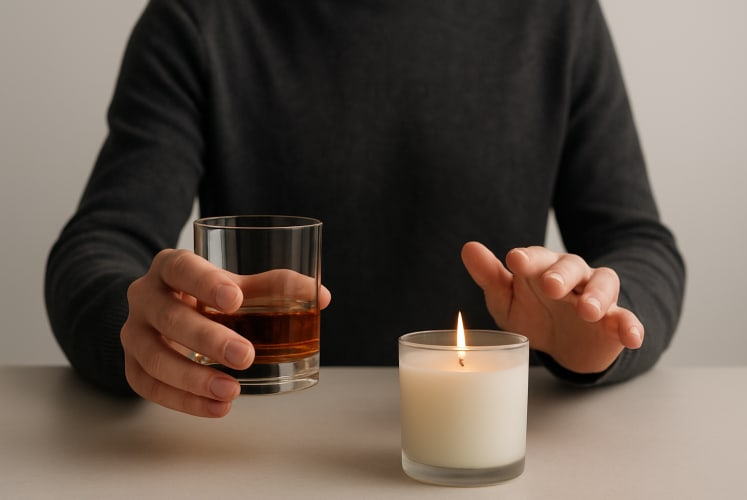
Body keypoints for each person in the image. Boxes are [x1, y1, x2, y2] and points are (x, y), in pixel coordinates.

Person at [45, 0, 685, 418]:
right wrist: (133, 326)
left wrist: (597, 332)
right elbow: (100, 244)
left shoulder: (556, 16)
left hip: (497, 445)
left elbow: (636, 242)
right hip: (259, 444)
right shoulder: (198, 19)